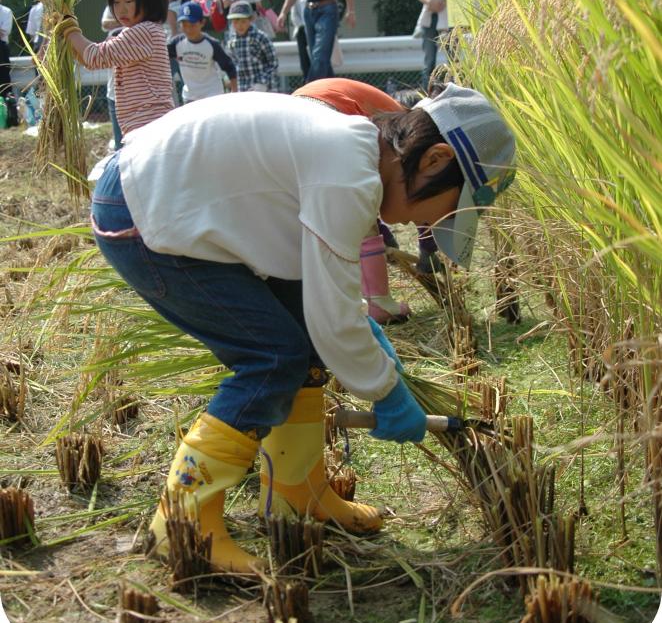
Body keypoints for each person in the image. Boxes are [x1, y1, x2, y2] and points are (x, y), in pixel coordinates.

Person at [87, 83, 516, 573]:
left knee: (304, 346)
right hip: (143, 212)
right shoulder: (349, 174)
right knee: (272, 359)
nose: (428, 227)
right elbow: (334, 323)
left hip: (168, 195)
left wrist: (358, 336)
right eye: (443, 211)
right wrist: (387, 391)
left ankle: (296, 492)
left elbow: (328, 300)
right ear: (435, 160)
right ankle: (183, 525)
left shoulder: (354, 155)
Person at [293, 77, 412, 322]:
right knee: (362, 209)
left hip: (296, 116)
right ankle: (378, 302)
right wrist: (428, 250)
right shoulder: (407, 131)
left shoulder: (396, 117)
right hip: (330, 113)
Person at [57, 0, 174, 138]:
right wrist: (70, 43)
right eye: (116, 2)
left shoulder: (144, 32)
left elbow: (95, 56)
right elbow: (93, 61)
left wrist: (69, 29)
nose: (121, 9)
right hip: (143, 126)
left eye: (128, 0)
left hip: (149, 126)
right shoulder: (138, 31)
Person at [168, 0, 237, 103]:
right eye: (184, 25)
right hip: (190, 96)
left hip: (212, 95)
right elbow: (161, 57)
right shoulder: (176, 44)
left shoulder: (212, 44)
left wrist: (234, 90)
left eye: (192, 25)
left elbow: (229, 66)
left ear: (202, 23)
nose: (188, 29)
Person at [227, 0, 279, 92]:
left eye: (243, 21)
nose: (239, 25)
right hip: (242, 88)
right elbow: (232, 65)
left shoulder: (260, 38)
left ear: (251, 19)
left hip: (263, 88)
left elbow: (273, 63)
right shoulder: (232, 42)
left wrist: (263, 82)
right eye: (235, 22)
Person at [0, 0, 17, 126]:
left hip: (1, 50)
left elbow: (4, 32)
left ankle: (10, 118)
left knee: (5, 82)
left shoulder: (6, 11)